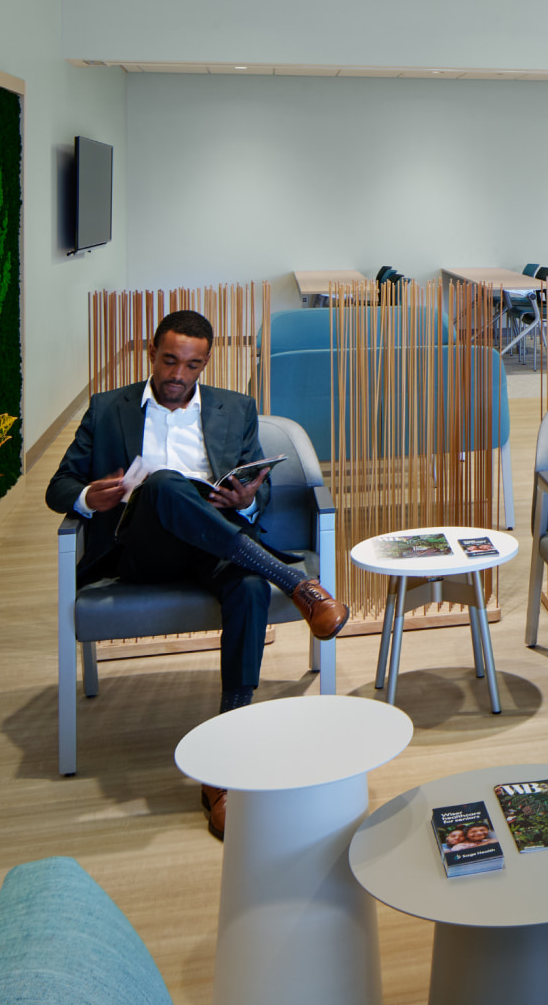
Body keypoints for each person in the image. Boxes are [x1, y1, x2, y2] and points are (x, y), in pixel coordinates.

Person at [46, 309, 348, 838]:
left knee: (251, 588)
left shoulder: (237, 409)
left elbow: (261, 486)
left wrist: (248, 500)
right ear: (151, 355)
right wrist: (88, 498)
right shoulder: (107, 408)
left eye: (192, 364)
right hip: (142, 548)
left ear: (206, 363)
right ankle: (297, 583)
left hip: (219, 546)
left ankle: (224, 768)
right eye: (169, 360)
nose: (178, 375)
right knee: (164, 484)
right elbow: (59, 486)